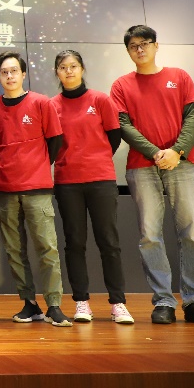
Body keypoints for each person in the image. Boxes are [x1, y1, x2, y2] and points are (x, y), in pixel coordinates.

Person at [110, 25, 194, 326]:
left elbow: (192, 117)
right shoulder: (121, 85)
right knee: (150, 235)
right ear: (128, 51)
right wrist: (155, 152)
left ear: (156, 45)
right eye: (133, 46)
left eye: (145, 43)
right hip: (142, 166)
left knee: (191, 233)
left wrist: (176, 151)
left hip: (182, 163)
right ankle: (163, 301)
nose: (140, 49)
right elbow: (123, 125)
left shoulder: (180, 77)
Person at [0, 51, 72, 327]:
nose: (10, 76)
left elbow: (55, 141)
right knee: (14, 250)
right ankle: (29, 303)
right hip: (4, 189)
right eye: (4, 72)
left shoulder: (42, 103)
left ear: (23, 74)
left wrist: (37, 166)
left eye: (14, 71)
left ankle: (54, 305)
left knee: (47, 248)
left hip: (37, 188)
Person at [50, 50, 134, 325]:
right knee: (74, 242)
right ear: (57, 72)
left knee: (108, 241)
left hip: (100, 180)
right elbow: (51, 143)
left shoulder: (100, 100)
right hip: (67, 182)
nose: (69, 71)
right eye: (63, 67)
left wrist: (95, 158)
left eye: (73, 66)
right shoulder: (52, 106)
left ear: (82, 69)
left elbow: (114, 136)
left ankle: (118, 303)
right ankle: (81, 302)